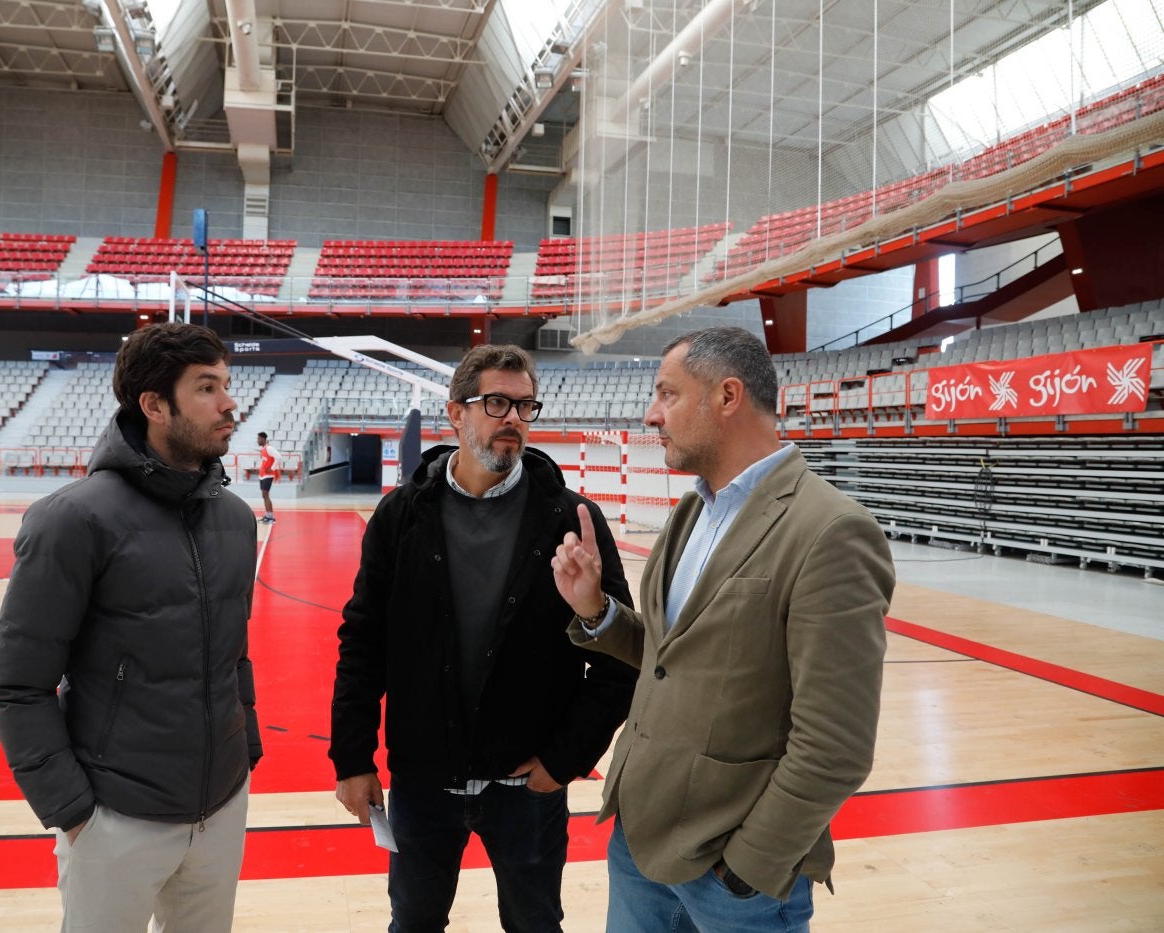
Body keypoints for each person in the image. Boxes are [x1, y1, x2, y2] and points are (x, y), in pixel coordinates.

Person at [551, 327, 895, 933]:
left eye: (667, 395)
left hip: (734, 873)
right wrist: (595, 609)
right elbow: (670, 657)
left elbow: (836, 746)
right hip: (641, 841)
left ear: (728, 396)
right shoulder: (692, 511)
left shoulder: (831, 531)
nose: (652, 415)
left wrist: (748, 867)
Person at [331, 343, 639, 933]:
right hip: (422, 782)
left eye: (526, 406)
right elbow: (363, 640)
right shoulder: (400, 516)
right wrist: (352, 755)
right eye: (496, 402)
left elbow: (621, 656)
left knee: (535, 924)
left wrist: (565, 759)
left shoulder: (571, 520)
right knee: (414, 923)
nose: (514, 419)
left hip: (526, 786)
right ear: (456, 413)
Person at [0, 322, 262, 933]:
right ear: (155, 405)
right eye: (207, 388)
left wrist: (246, 750)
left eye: (227, 385)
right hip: (115, 818)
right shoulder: (73, 520)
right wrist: (74, 812)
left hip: (220, 806)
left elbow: (234, 652)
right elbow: (16, 684)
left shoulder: (237, 521)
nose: (229, 402)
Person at [256, 431, 280, 523]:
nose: (257, 440)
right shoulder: (264, 449)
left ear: (263, 439)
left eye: (258, 439)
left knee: (266, 495)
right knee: (264, 495)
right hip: (262, 475)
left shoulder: (269, 448)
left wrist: (272, 468)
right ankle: (268, 515)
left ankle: (271, 517)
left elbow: (279, 457)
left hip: (268, 475)